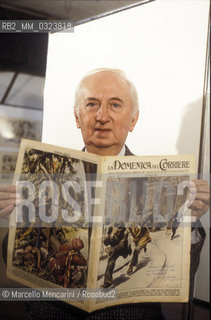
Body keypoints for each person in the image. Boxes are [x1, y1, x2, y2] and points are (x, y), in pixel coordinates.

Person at [0, 68, 210, 319]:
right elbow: (18, 261)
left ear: (133, 120)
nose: (102, 116)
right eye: (91, 104)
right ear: (77, 117)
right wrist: (15, 225)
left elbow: (184, 275)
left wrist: (192, 221)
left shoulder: (158, 185)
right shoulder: (48, 177)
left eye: (115, 105)